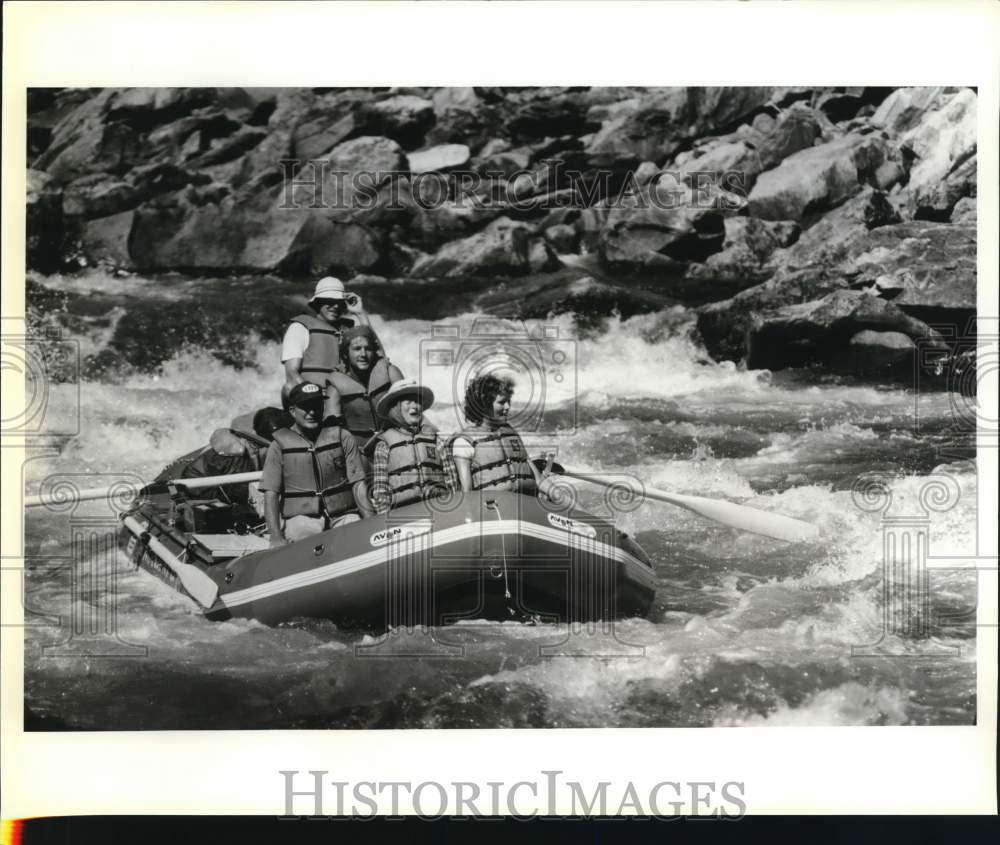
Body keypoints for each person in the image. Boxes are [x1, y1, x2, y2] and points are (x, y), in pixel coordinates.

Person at [259, 382, 373, 546]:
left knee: (355, 530)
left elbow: (358, 483)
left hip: (343, 514)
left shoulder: (343, 437)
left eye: (316, 405)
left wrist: (370, 520)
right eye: (305, 407)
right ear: (292, 411)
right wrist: (275, 537)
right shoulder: (278, 446)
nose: (312, 412)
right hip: (302, 518)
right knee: (300, 532)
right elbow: (270, 494)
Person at [369, 379, 458, 514]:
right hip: (403, 515)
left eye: (417, 401)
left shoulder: (436, 439)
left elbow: (451, 482)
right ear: (395, 407)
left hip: (439, 510)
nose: (415, 406)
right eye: (408, 401)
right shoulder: (384, 445)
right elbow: (381, 492)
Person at [448, 374, 546, 495]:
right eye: (502, 402)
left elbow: (539, 480)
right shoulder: (464, 443)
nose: (508, 407)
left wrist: (568, 503)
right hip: (493, 511)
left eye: (508, 401)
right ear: (484, 404)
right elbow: (467, 494)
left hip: (527, 506)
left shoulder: (510, 433)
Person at [281, 276, 372, 405]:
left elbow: (374, 352)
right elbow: (291, 374)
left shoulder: (349, 330)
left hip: (345, 397)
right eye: (328, 300)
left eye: (339, 302)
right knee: (288, 388)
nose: (335, 306)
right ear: (317, 302)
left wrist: (361, 313)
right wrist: (317, 399)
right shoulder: (299, 328)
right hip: (311, 398)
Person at [327, 325, 404, 442]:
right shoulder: (335, 384)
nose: (363, 354)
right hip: (358, 450)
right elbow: (332, 429)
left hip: (392, 443)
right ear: (346, 353)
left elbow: (410, 410)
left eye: (368, 349)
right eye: (357, 349)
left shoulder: (390, 372)